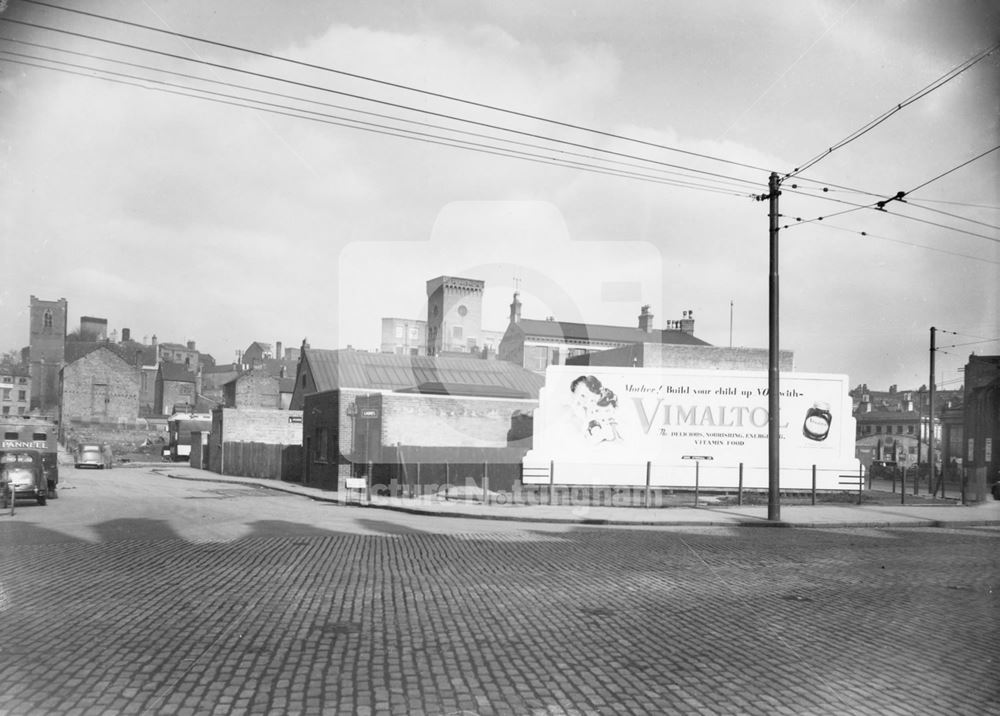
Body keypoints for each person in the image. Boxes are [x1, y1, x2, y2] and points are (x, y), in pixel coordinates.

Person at [570, 375, 621, 444]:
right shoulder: (576, 415)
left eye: (583, 395)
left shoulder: (603, 406)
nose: (580, 400)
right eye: (580, 395)